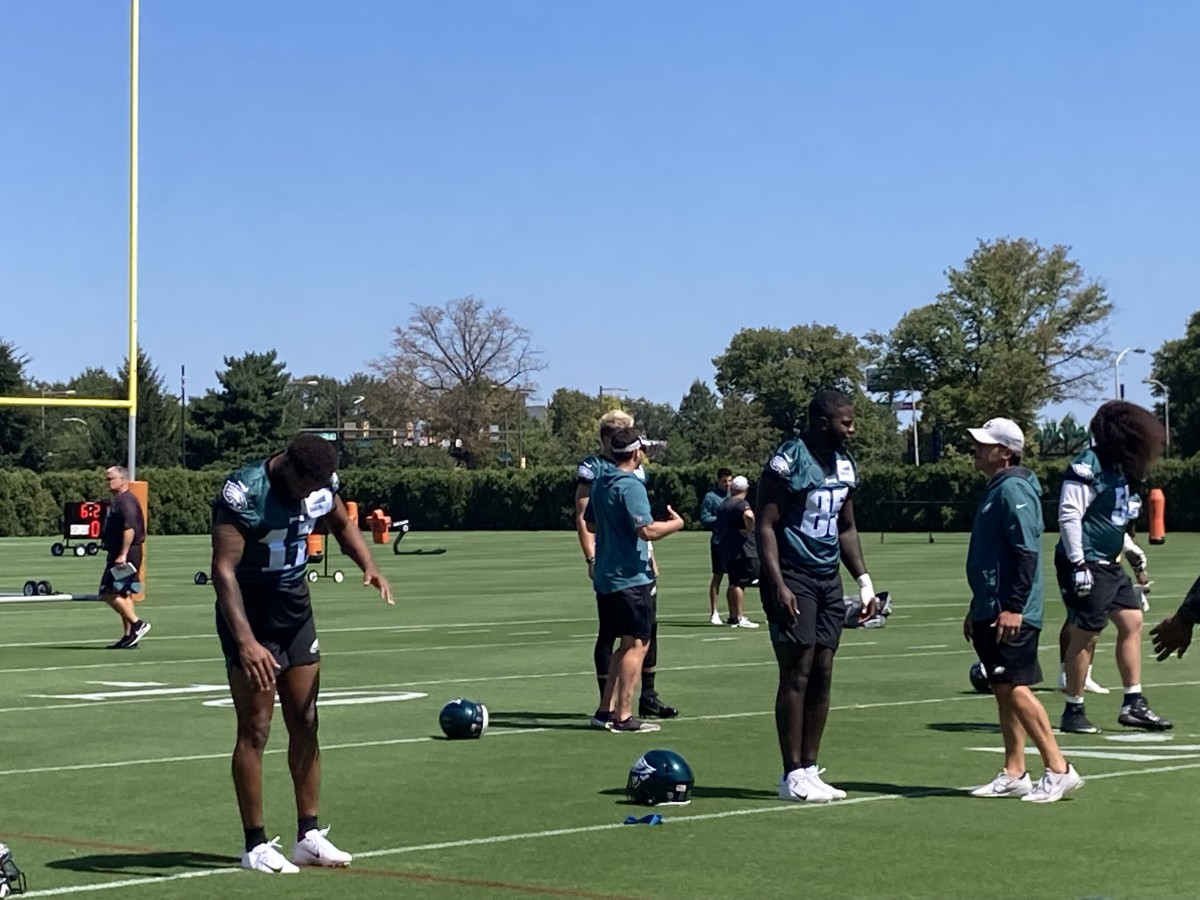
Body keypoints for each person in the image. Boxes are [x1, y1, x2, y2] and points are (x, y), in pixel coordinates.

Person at [211, 434, 393, 874]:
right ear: (288, 465)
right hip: (250, 612)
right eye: (307, 483)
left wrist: (367, 564)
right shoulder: (245, 491)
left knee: (307, 718)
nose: (312, 492)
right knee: (255, 728)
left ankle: (307, 835)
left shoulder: (319, 485)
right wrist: (246, 641)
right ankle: (254, 844)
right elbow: (223, 570)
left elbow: (342, 523)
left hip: (295, 608)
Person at [756, 390, 878, 803]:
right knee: (798, 670)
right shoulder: (789, 459)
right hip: (793, 573)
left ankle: (810, 767)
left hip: (828, 578)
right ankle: (791, 772)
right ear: (822, 422)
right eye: (846, 422)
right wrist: (778, 584)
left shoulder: (844, 464)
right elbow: (766, 526)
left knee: (824, 670)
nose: (852, 428)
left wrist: (863, 580)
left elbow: (846, 527)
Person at [963, 417, 1082, 802]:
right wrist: (977, 605)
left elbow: (1026, 552)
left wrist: (1013, 606)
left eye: (986, 444)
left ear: (1006, 453)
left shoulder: (1013, 487)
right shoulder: (997, 487)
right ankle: (1015, 771)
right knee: (1002, 689)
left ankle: (1058, 768)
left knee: (1013, 687)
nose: (978, 448)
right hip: (992, 607)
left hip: (1010, 611)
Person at [1056, 401, 1171, 735]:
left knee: (1132, 619)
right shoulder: (1088, 463)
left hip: (1108, 561)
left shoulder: (1120, 468)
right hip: (1087, 560)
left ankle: (1133, 703)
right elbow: (1070, 515)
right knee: (1087, 633)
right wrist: (1078, 562)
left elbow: (1110, 520)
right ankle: (1073, 709)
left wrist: (1130, 549)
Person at [574, 410, 677, 725]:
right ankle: (624, 714)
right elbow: (646, 531)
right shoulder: (629, 485)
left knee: (622, 643)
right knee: (637, 643)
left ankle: (605, 710)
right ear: (635, 452)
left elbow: (589, 520)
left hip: (607, 574)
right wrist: (676, 524)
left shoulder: (602, 481)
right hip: (630, 576)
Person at [99, 465, 150, 649]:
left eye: (110, 478)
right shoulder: (121, 500)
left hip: (125, 553)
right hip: (123, 552)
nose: (107, 482)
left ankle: (137, 624)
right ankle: (129, 636)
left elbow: (130, 529)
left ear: (123, 480)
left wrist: (123, 554)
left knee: (108, 592)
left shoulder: (125, 501)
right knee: (123, 593)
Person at [715, 475, 760, 629]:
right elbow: (748, 515)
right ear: (746, 489)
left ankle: (733, 617)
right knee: (741, 583)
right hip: (743, 549)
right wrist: (749, 529)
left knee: (733, 582)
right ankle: (740, 617)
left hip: (728, 548)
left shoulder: (724, 504)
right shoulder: (742, 504)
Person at [701, 468, 733, 625]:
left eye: (729, 481)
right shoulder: (711, 497)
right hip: (719, 541)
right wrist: (721, 518)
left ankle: (735, 613)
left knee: (736, 579)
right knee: (718, 576)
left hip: (734, 542)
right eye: (724, 481)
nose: (727, 484)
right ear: (718, 481)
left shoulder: (734, 495)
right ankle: (714, 612)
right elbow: (705, 518)